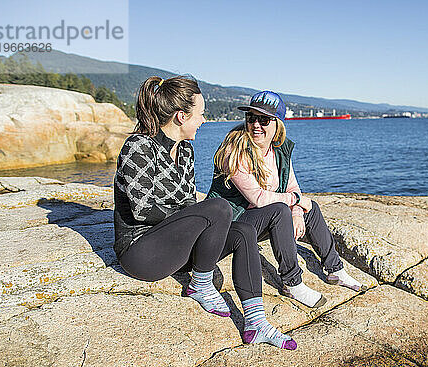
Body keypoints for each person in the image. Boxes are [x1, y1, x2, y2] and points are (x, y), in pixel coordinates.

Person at [114, 77, 296, 350]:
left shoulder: (185, 150)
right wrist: (197, 218)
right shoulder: (138, 147)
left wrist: (196, 219)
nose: (203, 120)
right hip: (142, 252)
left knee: (243, 230)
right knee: (219, 207)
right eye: (200, 114)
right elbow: (142, 209)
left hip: (179, 248)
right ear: (180, 116)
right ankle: (200, 283)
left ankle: (256, 322)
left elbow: (187, 202)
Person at [208, 91, 366, 309]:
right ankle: (292, 282)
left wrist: (298, 210)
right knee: (279, 210)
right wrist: (296, 200)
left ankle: (334, 270)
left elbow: (292, 186)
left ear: (278, 124)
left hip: (259, 221)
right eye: (251, 118)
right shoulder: (233, 151)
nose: (256, 125)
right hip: (231, 226)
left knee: (310, 209)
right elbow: (259, 198)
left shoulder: (280, 150)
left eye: (264, 120)